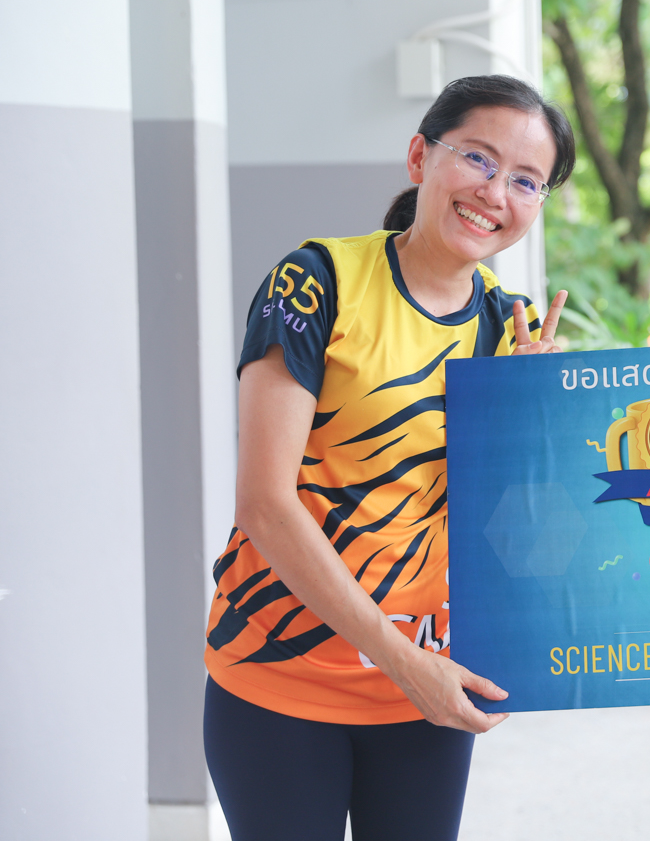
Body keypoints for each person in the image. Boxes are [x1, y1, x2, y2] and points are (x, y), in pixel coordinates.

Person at [203, 75, 575, 841]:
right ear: (419, 157)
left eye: (525, 180)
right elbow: (264, 505)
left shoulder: (510, 327)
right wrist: (404, 662)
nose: (494, 192)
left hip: (427, 691)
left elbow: (512, 537)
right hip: (280, 674)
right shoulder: (315, 283)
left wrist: (526, 427)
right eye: (478, 158)